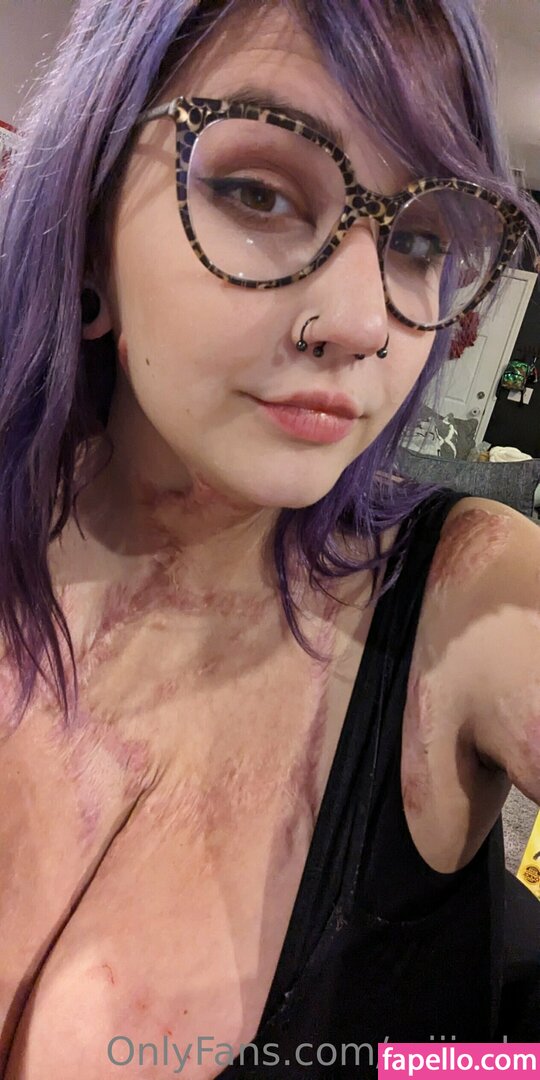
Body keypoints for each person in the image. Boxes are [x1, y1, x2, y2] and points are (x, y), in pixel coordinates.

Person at [0, 0, 539, 1076]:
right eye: (258, 192)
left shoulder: (470, 596)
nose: (364, 323)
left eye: (420, 241)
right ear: (86, 220)